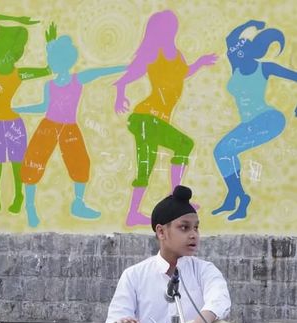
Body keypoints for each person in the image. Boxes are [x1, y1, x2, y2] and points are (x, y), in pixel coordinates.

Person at [113, 10, 217, 226]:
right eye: (168, 26)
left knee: (174, 149)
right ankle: (142, 210)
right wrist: (120, 92)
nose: (172, 30)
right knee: (152, 160)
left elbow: (181, 73)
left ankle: (165, 203)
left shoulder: (176, 53)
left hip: (157, 120)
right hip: (146, 118)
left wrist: (199, 62)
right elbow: (133, 72)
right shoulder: (153, 53)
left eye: (173, 26)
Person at [16, 23, 124, 227]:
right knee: (33, 163)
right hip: (48, 126)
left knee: (81, 163)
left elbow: (101, 72)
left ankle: (78, 203)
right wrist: (20, 110)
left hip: (69, 128)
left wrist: (127, 67)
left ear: (63, 61)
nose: (50, 63)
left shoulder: (77, 79)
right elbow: (43, 107)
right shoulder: (50, 85)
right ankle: (30, 206)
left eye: (52, 60)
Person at [104, 185, 231, 323]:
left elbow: (220, 297)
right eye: (184, 227)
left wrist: (204, 318)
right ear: (161, 232)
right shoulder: (134, 275)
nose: (193, 235)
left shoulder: (204, 270)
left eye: (196, 228)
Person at [213, 20, 297, 221]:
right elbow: (229, 39)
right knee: (224, 152)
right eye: (235, 51)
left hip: (269, 120)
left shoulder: (265, 68)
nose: (234, 53)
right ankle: (237, 196)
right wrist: (250, 23)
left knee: (224, 150)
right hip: (250, 123)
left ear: (252, 52)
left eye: (241, 50)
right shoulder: (236, 67)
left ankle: (238, 197)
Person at [0, 14, 50, 214]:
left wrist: (50, 44)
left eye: (12, 52)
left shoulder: (19, 73)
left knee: (17, 162)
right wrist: (16, 19)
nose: (8, 57)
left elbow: (48, 70)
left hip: (13, 123)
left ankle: (18, 195)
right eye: (3, 49)